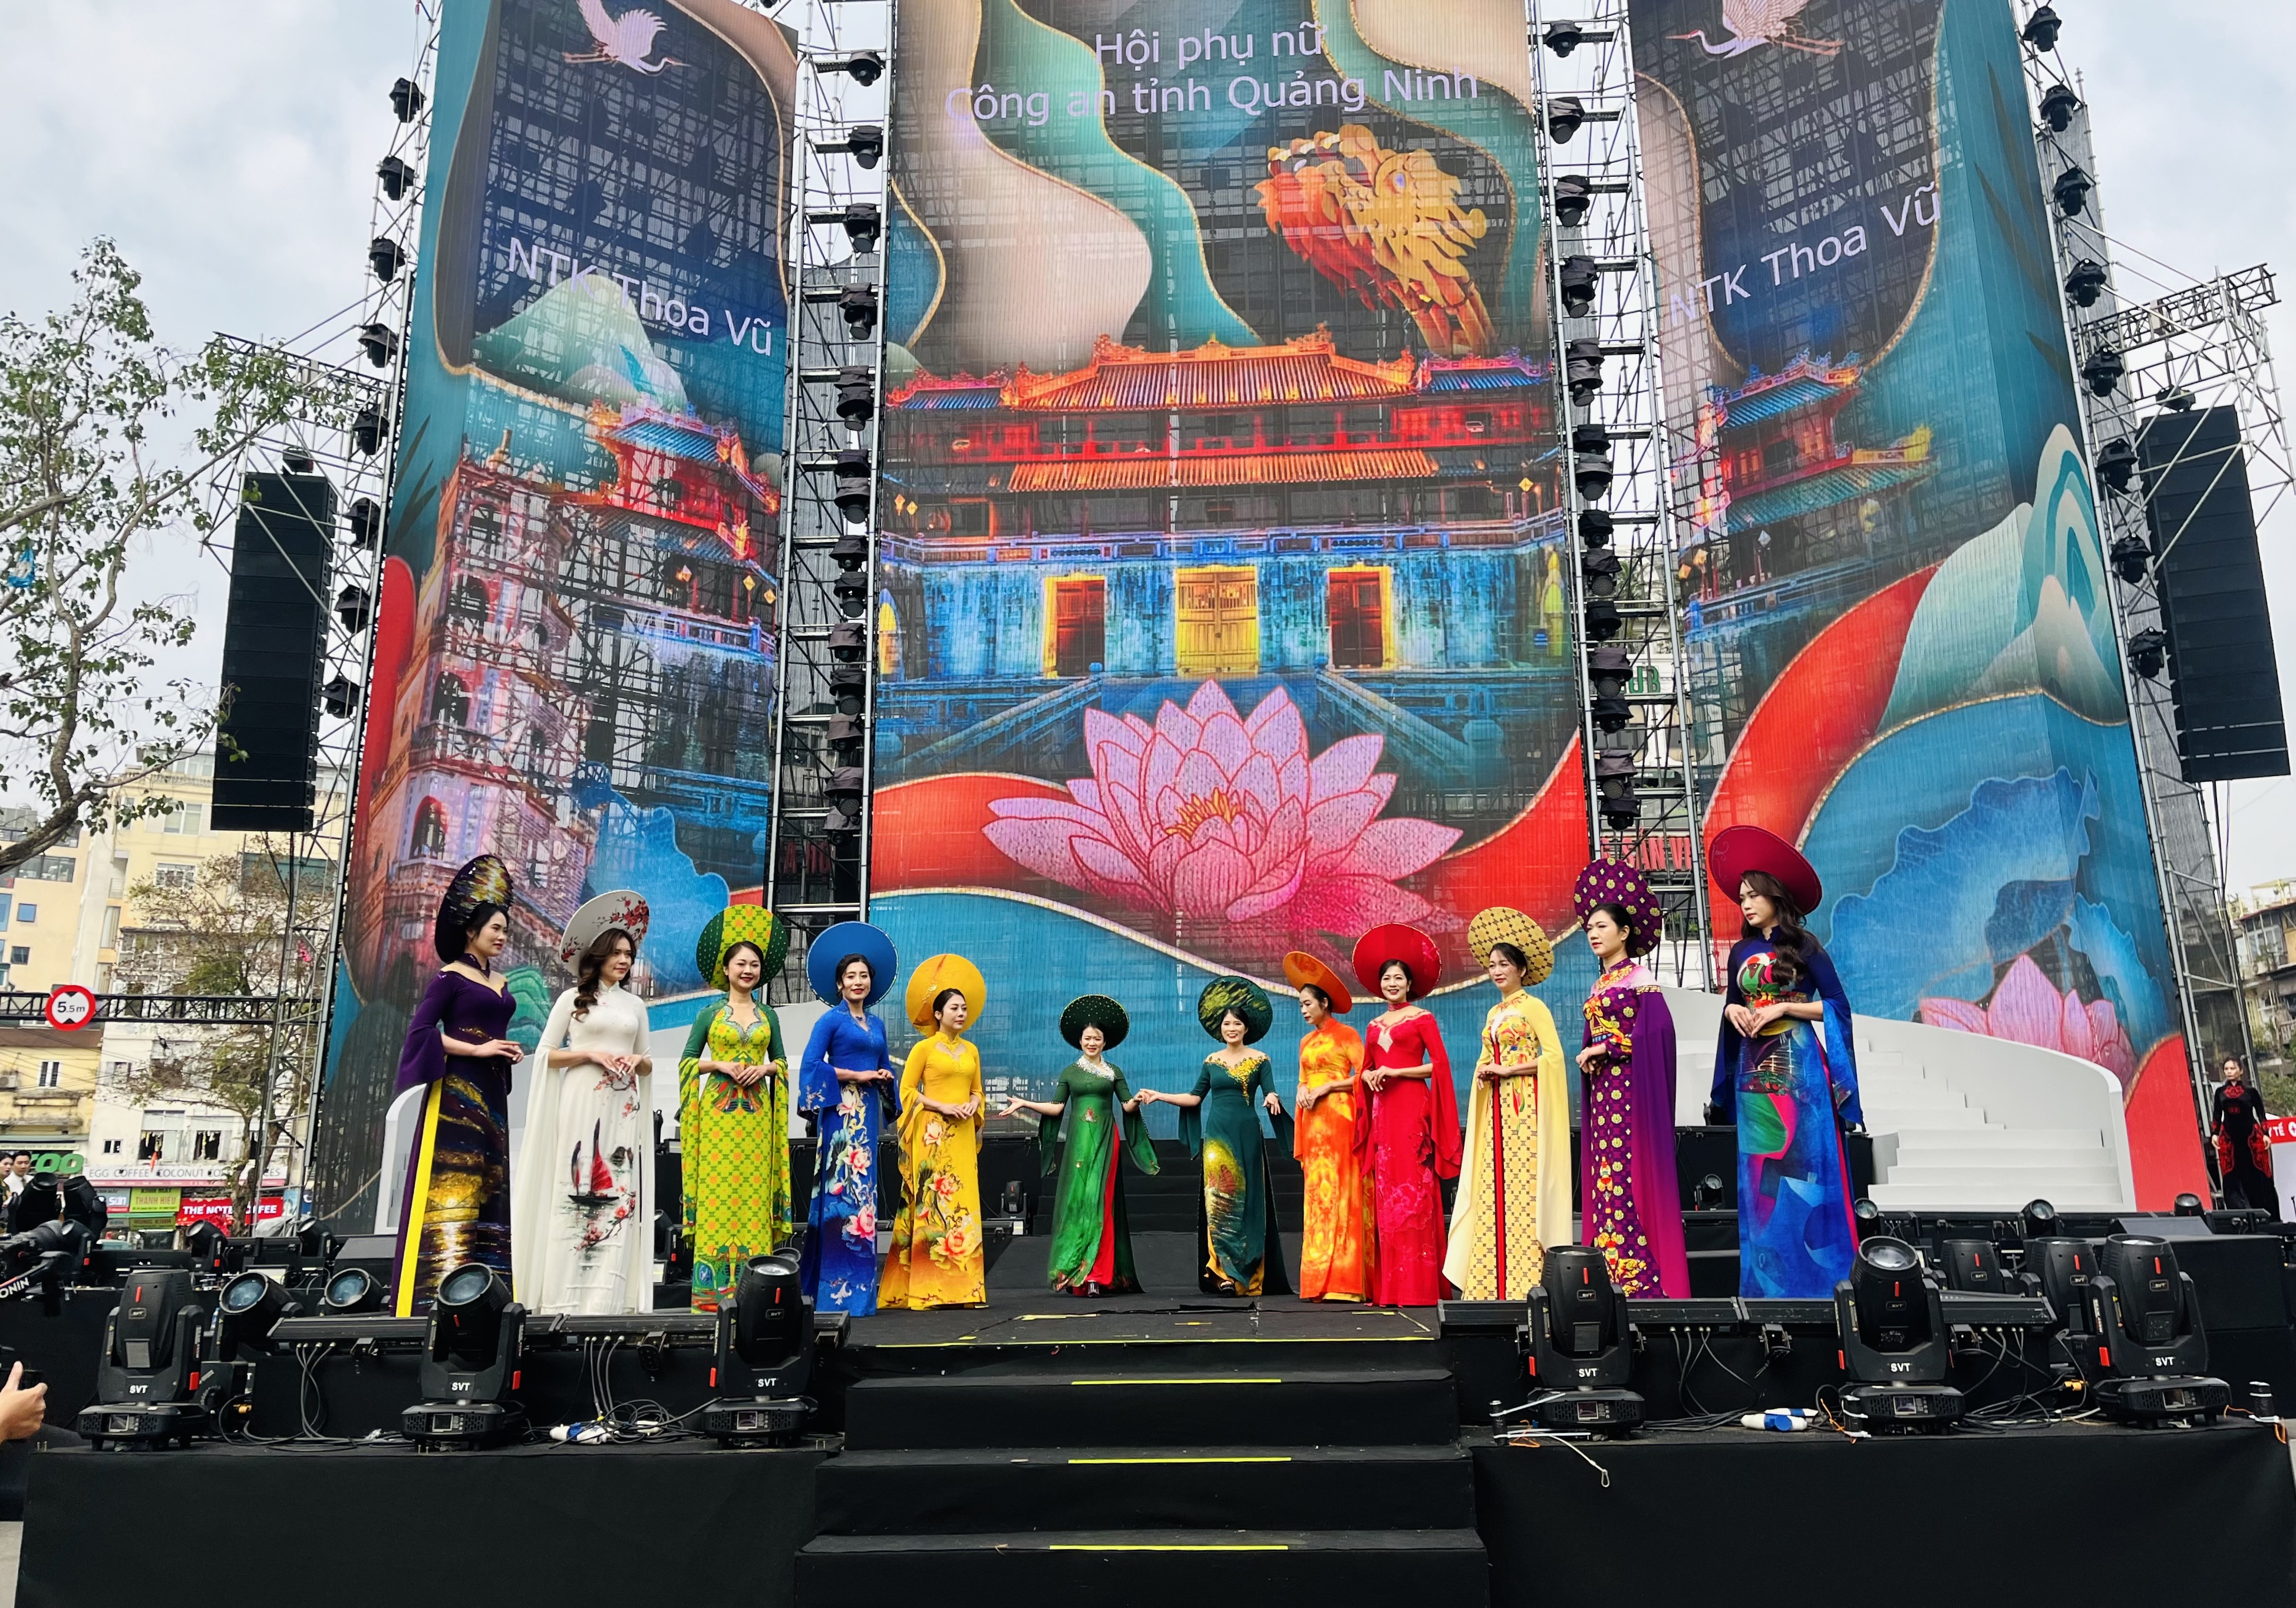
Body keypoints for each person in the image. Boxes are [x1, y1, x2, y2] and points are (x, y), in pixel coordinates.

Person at [1705, 826, 1863, 1299]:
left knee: (1807, 1167)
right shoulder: (1740, 951)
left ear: (1776, 895)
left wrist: (1786, 1007)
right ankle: (1767, 1287)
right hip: (1753, 1074)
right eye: (1741, 897)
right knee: (1761, 1176)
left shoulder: (1806, 945)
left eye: (1753, 895)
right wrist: (1732, 1011)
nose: (1746, 904)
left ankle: (1822, 1283)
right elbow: (1735, 1003)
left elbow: (1838, 1006)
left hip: (1800, 1073)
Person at [392, 854, 525, 1316]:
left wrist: (504, 1050)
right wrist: (479, 1049)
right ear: (472, 930)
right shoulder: (449, 977)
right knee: (455, 1180)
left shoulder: (500, 980)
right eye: (495, 928)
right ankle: (439, 1293)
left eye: (505, 929)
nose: (502, 936)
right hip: (455, 1093)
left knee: (490, 1182)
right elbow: (421, 1033)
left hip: (492, 1094)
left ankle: (488, 1293)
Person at [512, 891, 655, 1315]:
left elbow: (647, 1061)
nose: (624, 960)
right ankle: (563, 1296)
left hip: (622, 1103)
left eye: (629, 954)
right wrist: (590, 1054)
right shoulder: (572, 1000)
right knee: (575, 1183)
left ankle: (607, 1300)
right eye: (617, 953)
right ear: (599, 955)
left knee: (618, 1189)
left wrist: (635, 1061)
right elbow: (546, 1054)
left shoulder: (636, 1005)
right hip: (581, 1098)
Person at [1570, 865, 1690, 1298]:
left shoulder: (1641, 980)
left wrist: (1608, 1048)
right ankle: (1609, 1274)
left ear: (1624, 932)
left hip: (1630, 1094)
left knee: (1627, 1177)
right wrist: (1592, 1054)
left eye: (1601, 926)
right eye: (1589, 928)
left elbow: (1658, 1035)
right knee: (1605, 1178)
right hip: (1603, 1095)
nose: (1593, 933)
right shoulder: (1600, 983)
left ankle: (1642, 1282)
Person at [1442, 908, 1570, 1301]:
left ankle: (1524, 1284)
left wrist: (1510, 1069)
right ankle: (1487, 1282)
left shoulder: (1534, 1007)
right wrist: (1484, 1071)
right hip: (1495, 1108)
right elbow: (1488, 1056)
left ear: (1521, 969)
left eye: (1504, 965)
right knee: (1492, 1188)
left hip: (1524, 1108)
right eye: (1492, 965)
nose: (1497, 971)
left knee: (1523, 1189)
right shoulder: (1494, 1012)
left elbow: (1554, 1057)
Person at [1140, 978, 1289, 1296]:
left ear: (1246, 1028)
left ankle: (1247, 1272)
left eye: (1237, 1024)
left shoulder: (1261, 1060)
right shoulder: (1211, 1062)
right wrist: (1160, 1095)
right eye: (1226, 1024)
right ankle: (1222, 1273)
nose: (1231, 1029)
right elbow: (1194, 1098)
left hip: (1248, 1137)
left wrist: (1272, 1097)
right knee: (1219, 1200)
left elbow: (1271, 1091)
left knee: (1248, 1202)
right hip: (1217, 1139)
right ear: (1220, 1029)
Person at [677, 906, 793, 1313]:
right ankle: (710, 1297)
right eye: (741, 964)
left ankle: (754, 1291)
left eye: (754, 965)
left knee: (753, 1197)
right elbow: (687, 1062)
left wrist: (766, 1068)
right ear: (725, 970)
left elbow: (782, 1062)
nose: (748, 970)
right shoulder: (709, 1014)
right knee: (718, 1195)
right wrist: (720, 1065)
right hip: (718, 1120)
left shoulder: (768, 1015)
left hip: (757, 1119)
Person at [1002, 995, 1158, 1296]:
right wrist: (1025, 1103)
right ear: (1080, 1041)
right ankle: (1076, 1271)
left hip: (1105, 1139)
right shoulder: (1070, 1073)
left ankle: (1098, 1275)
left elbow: (1127, 1106)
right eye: (1088, 1038)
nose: (1092, 1043)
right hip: (1078, 1144)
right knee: (1078, 1202)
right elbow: (1057, 1108)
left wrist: (1138, 1099)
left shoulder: (1113, 1072)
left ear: (1105, 1042)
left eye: (1097, 1039)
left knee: (1100, 1201)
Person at [1351, 924, 1460, 1306]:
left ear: (1410, 983)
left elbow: (1439, 1067)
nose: (1392, 983)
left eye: (1398, 978)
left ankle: (1420, 1288)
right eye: (1387, 978)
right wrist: (1367, 1076)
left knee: (1415, 1193)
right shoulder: (1372, 1025)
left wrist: (1396, 1073)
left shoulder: (1422, 1018)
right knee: (1387, 1194)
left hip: (1412, 1111)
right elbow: (1367, 1069)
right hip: (1383, 1114)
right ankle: (1392, 1289)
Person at [797, 920, 898, 1316]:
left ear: (871, 983)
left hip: (867, 1116)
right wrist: (855, 1075)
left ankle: (860, 1294)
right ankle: (832, 1292)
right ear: (839, 984)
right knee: (839, 1193)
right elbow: (810, 1066)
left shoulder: (877, 1024)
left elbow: (884, 1065)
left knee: (864, 1198)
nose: (858, 982)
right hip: (840, 1115)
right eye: (851, 976)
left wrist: (884, 1077)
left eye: (864, 976)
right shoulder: (831, 1020)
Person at [882, 955, 988, 1309]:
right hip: (933, 1135)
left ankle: (965, 1290)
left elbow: (977, 1090)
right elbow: (907, 1091)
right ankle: (929, 1290)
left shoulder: (972, 1050)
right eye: (954, 1008)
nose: (961, 1013)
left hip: (962, 1134)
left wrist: (973, 1103)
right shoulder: (923, 1048)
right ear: (938, 1014)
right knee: (932, 1205)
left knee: (962, 1206)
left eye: (964, 1008)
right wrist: (942, 1106)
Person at [1286, 952, 1374, 1302]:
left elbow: (1364, 1075)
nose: (1304, 1010)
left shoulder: (1347, 1034)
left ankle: (1344, 1281)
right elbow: (1302, 1078)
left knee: (1343, 1192)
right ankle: (1318, 1280)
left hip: (1339, 1119)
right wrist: (1302, 1089)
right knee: (1317, 1195)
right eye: (1301, 1005)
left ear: (1325, 1003)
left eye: (1308, 1004)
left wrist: (1328, 1087)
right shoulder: (1305, 1042)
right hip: (1313, 1123)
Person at [2213, 1058, 2277, 1216]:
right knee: (2232, 1175)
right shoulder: (2220, 1093)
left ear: (2240, 1071)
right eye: (2226, 1069)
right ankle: (2238, 1213)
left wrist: (2266, 1134)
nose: (2229, 1072)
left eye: (2232, 1068)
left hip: (2251, 1138)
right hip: (2230, 1139)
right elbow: (2217, 1115)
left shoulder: (2251, 1092)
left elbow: (2261, 1113)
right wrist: (2215, 1134)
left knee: (2258, 1173)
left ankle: (2266, 1212)